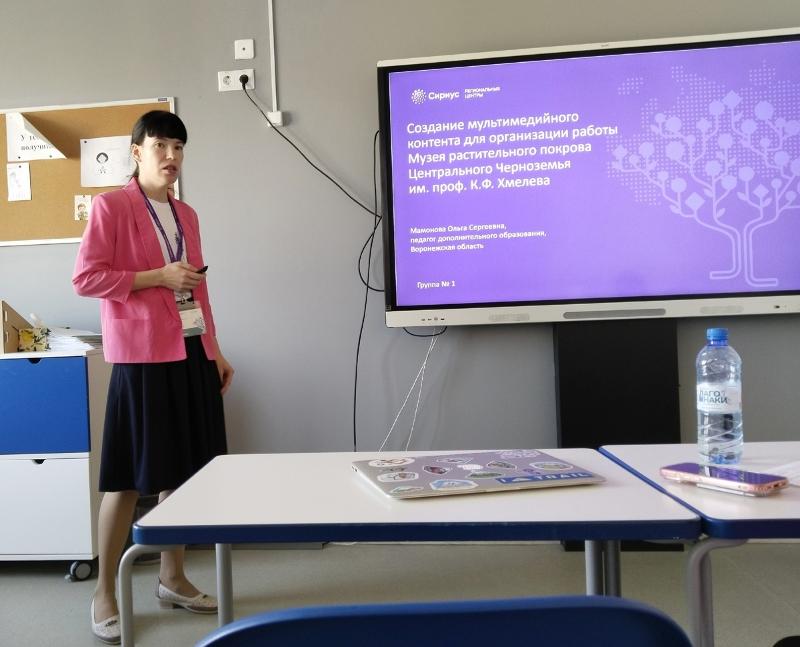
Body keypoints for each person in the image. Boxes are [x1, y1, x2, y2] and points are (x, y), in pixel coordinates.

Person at [73, 110, 234, 645]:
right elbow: (87, 278)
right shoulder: (112, 207)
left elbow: (197, 288)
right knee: (125, 476)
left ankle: (172, 578)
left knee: (182, 474)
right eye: (161, 145)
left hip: (189, 351)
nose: (171, 156)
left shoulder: (186, 214)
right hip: (141, 357)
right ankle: (104, 592)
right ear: (137, 151)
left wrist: (214, 350)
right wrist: (156, 277)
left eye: (179, 148)